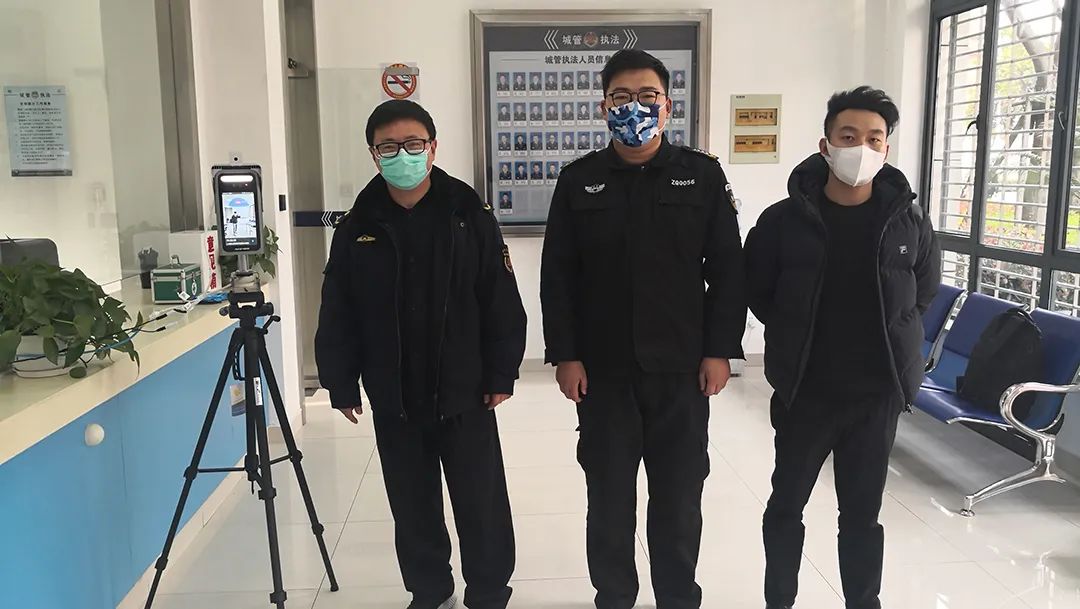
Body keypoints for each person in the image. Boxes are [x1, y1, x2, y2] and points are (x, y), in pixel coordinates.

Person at [541, 49, 746, 609]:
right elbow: (558, 276)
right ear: (603, 106)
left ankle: (677, 597)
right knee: (609, 500)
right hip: (603, 372)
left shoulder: (701, 175)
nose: (635, 106)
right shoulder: (579, 180)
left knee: (678, 499)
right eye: (621, 97)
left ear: (667, 105)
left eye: (647, 96)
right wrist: (566, 354)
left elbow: (728, 269)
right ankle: (614, 597)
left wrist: (719, 350)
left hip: (681, 370)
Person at [316, 100, 526, 609]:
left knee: (480, 501)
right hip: (394, 393)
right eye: (388, 147)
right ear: (374, 154)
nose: (402, 155)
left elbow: (499, 296)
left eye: (413, 144)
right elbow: (338, 308)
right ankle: (429, 591)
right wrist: (340, 381)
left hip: (465, 388)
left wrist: (501, 371)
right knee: (412, 505)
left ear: (432, 148)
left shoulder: (467, 214)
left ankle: (489, 591)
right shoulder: (357, 225)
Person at [744, 86, 940, 609]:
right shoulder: (782, 221)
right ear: (826, 145)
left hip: (875, 397)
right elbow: (758, 290)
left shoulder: (910, 223)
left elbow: (921, 296)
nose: (862, 148)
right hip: (806, 392)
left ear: (886, 149)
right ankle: (779, 600)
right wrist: (793, 333)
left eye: (874, 139)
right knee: (785, 506)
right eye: (849, 137)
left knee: (861, 516)